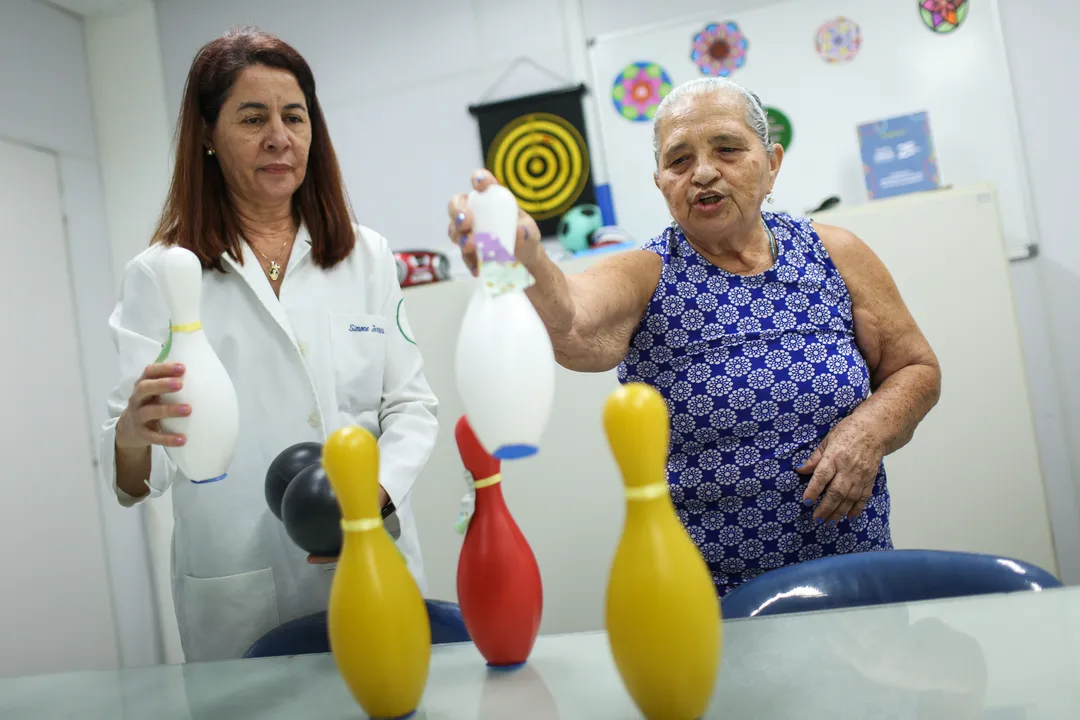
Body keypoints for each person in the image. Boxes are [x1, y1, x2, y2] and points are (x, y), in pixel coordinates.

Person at [447, 77, 941, 596]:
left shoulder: (836, 253)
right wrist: (527, 254)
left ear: (771, 163)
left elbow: (917, 370)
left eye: (727, 149)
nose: (703, 172)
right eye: (679, 160)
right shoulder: (648, 274)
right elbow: (571, 316)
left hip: (857, 577)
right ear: (660, 181)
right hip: (710, 600)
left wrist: (867, 431)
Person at [98, 27, 439, 662]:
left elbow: (412, 407)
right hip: (240, 580)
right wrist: (131, 437)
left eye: (294, 117)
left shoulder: (366, 256)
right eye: (252, 118)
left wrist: (374, 496)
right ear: (206, 134)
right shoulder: (161, 273)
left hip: (370, 555)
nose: (279, 137)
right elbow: (135, 479)